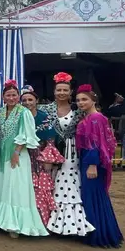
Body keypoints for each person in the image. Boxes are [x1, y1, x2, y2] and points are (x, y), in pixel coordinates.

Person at [0, 80, 48, 238]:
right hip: (1, 155)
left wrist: (16, 152)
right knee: (3, 186)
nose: (11, 98)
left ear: (18, 96)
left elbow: (26, 133)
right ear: (3, 97)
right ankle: (0, 219)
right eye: (8, 95)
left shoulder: (24, 112)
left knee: (16, 187)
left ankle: (15, 224)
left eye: (14, 95)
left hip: (17, 155)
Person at [40, 72, 91, 236]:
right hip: (49, 150)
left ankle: (68, 223)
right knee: (49, 181)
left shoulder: (78, 111)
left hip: (71, 151)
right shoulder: (45, 109)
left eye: (65, 90)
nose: (61, 92)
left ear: (71, 92)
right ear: (54, 92)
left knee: (67, 180)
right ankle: (49, 220)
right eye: (58, 90)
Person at [75, 84, 124, 248]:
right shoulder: (88, 118)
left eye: (84, 99)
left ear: (93, 100)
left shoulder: (96, 118)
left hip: (92, 163)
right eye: (78, 100)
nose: (81, 103)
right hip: (87, 161)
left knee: (94, 197)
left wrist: (93, 165)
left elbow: (95, 143)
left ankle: (99, 234)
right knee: (94, 197)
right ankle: (102, 232)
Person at [21, 86, 65, 225]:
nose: (27, 102)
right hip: (23, 154)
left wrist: (48, 158)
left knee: (41, 188)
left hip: (39, 155)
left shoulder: (43, 117)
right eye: (24, 100)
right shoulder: (20, 116)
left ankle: (41, 221)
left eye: (30, 99)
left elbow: (50, 139)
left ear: (37, 101)